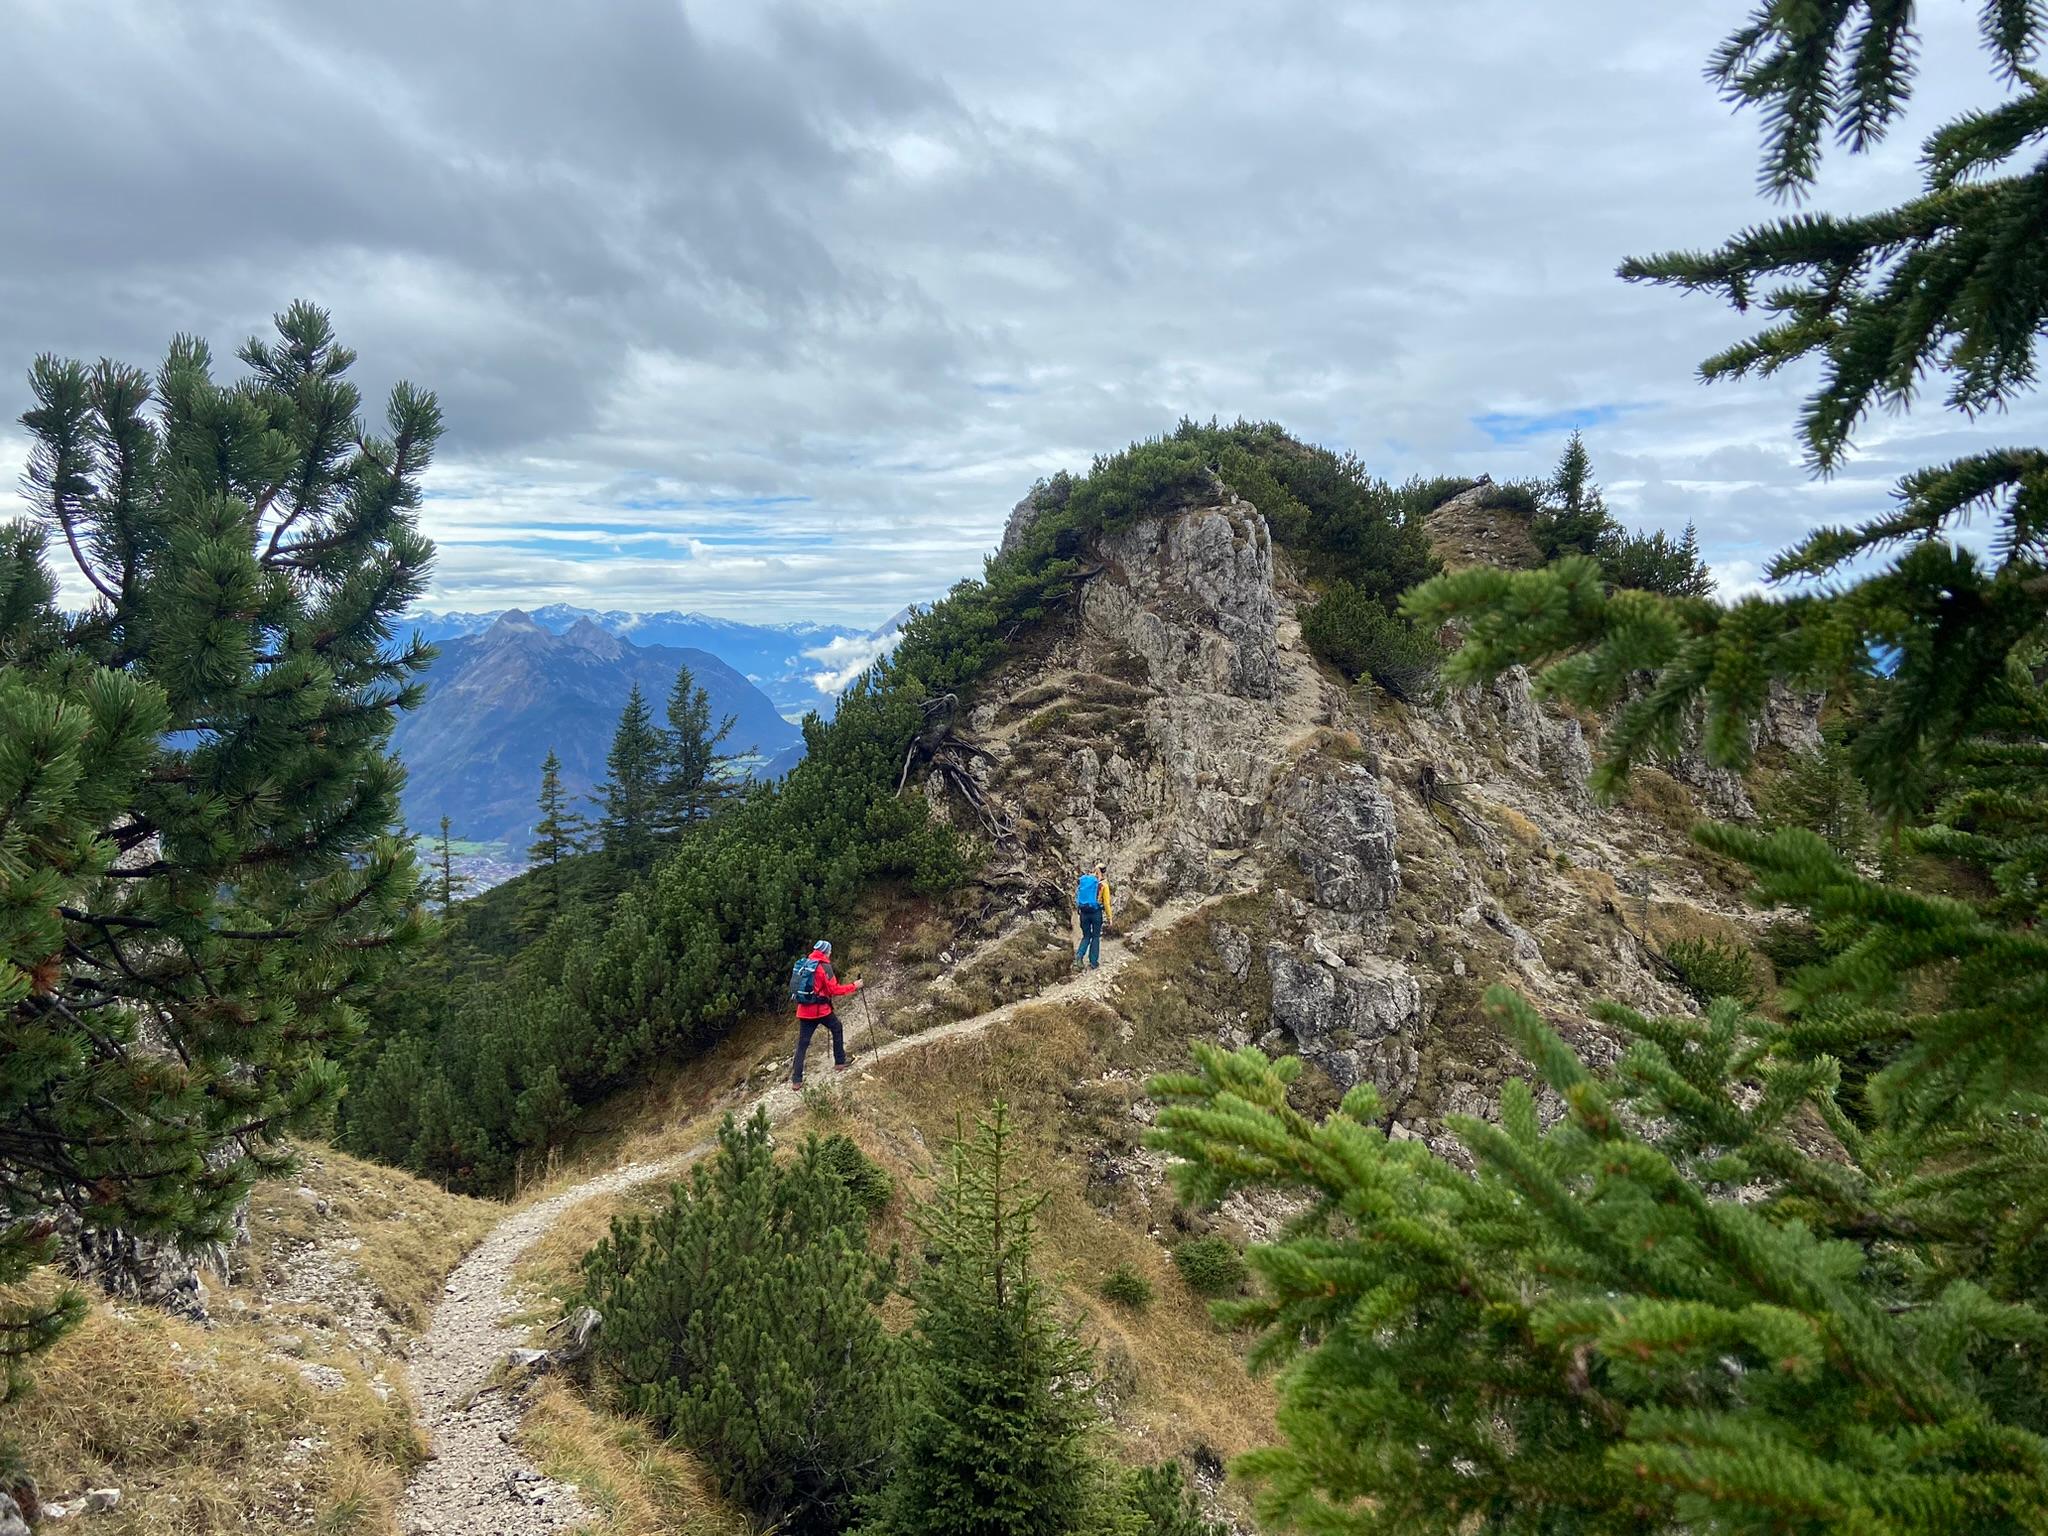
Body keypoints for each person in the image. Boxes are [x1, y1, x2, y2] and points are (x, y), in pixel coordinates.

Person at [790, 938, 861, 1087]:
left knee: (802, 1044)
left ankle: (796, 1080)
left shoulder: (805, 963)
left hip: (804, 1011)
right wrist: (854, 986)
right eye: (830, 951)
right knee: (837, 1027)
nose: (830, 953)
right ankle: (840, 1062)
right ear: (826, 952)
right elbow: (834, 990)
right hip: (821, 1011)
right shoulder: (824, 967)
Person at [1073, 862, 1112, 969]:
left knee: (1086, 936)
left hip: (1084, 913)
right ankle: (1093, 962)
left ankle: (1079, 956)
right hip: (1096, 913)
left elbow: (1079, 895)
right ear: (1104, 872)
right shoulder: (1103, 885)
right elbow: (1106, 903)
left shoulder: (1086, 881)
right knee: (1095, 936)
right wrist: (1109, 918)